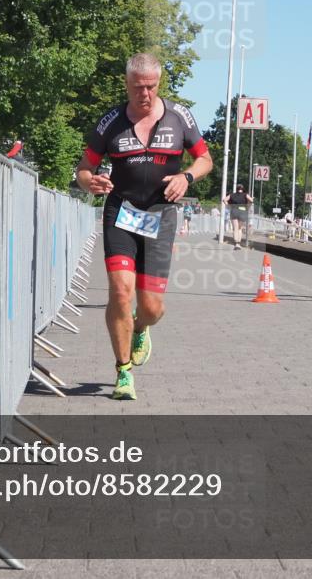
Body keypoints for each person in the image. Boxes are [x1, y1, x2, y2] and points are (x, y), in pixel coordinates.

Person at [75, 53, 212, 400]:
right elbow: (83, 169)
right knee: (121, 292)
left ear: (159, 83)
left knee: (152, 308)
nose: (145, 94)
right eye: (138, 87)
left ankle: (140, 327)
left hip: (160, 217)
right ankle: (123, 371)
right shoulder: (111, 122)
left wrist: (186, 177)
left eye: (151, 87)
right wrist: (90, 182)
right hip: (121, 213)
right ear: (127, 84)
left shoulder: (179, 117)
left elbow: (205, 159)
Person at [223, 184, 253, 250]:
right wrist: (248, 206)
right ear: (242, 189)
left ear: (237, 189)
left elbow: (224, 200)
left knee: (235, 228)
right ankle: (239, 243)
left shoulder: (232, 195)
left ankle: (236, 244)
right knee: (240, 228)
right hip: (242, 212)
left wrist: (228, 206)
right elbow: (251, 200)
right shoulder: (245, 195)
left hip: (234, 211)